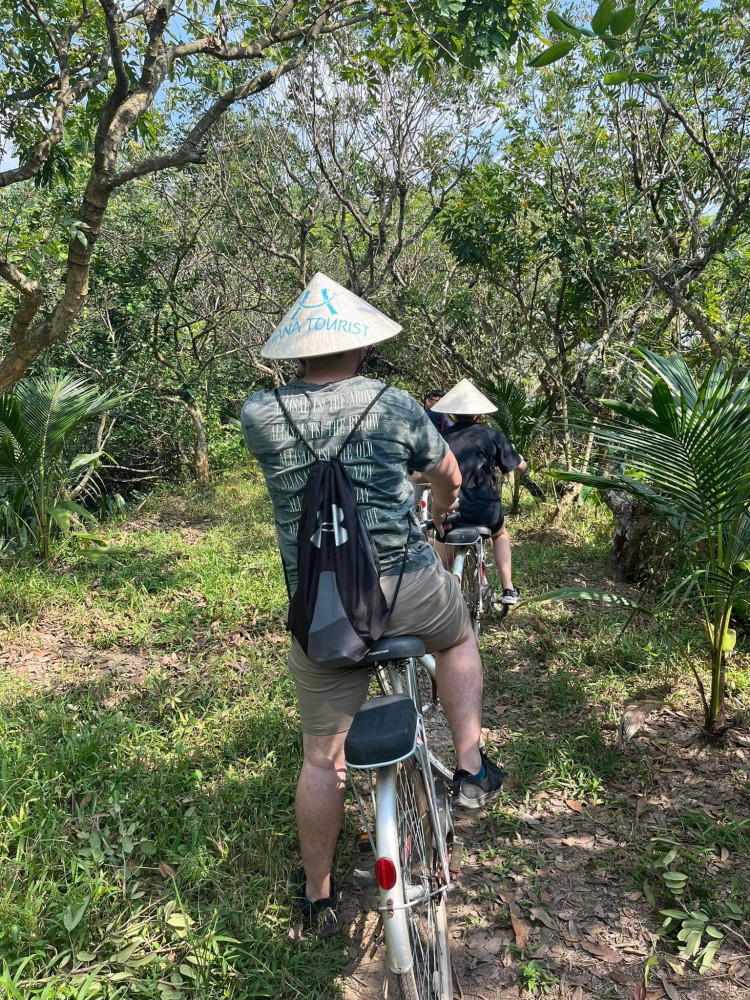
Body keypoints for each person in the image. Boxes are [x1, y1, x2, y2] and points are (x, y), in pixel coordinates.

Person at [241, 274, 503, 937]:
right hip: (410, 590)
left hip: (323, 611)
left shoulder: (260, 414)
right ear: (362, 351)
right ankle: (469, 764)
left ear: (294, 355)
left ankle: (318, 897)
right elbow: (444, 475)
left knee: (319, 761)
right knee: (459, 637)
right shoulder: (394, 404)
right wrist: (440, 518)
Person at [431, 378, 526, 606]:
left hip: (454, 512)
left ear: (451, 416)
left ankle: (445, 592)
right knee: (500, 534)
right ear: (480, 416)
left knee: (442, 549)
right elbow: (517, 465)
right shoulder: (493, 436)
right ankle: (509, 589)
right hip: (488, 511)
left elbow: (420, 473)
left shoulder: (441, 439)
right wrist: (521, 461)